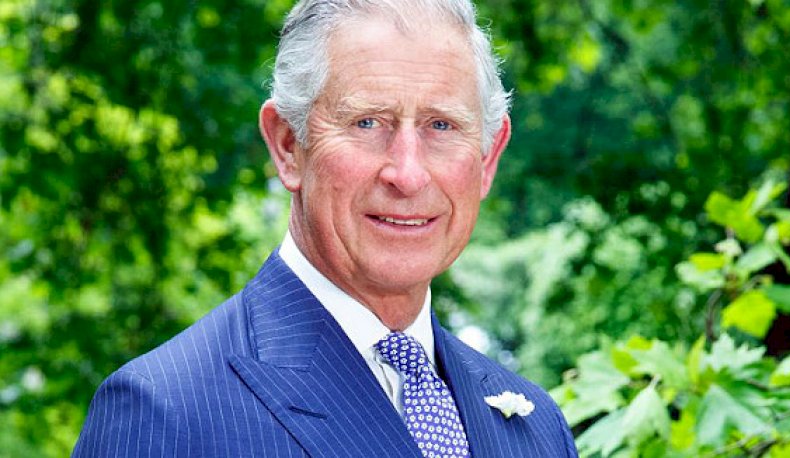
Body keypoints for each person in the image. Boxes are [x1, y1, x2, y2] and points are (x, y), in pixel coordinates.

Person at [72, 0, 577, 456]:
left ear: (488, 158)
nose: (407, 174)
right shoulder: (165, 412)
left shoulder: (537, 429)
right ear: (288, 146)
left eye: (441, 125)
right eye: (367, 123)